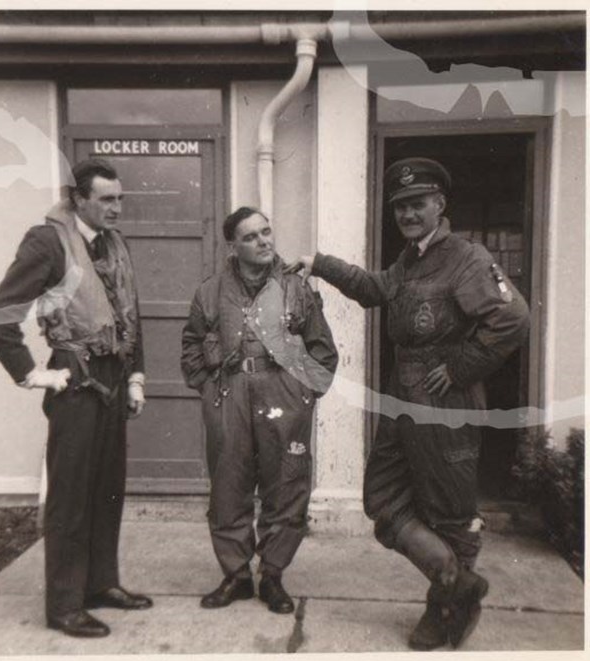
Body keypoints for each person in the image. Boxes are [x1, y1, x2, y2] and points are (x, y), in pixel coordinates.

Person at [286, 158, 529, 649]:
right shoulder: (411, 259)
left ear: (441, 204)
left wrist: (461, 367)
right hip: (404, 397)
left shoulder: (466, 257)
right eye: (400, 206)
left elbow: (513, 318)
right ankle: (459, 584)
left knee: (449, 512)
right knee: (382, 498)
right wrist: (320, 264)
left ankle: (443, 609)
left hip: (445, 402)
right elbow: (376, 290)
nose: (407, 213)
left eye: (417, 203)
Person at [0, 158, 152, 638]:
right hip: (74, 380)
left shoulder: (113, 244)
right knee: (70, 496)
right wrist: (34, 375)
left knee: (108, 489)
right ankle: (63, 605)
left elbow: (128, 317)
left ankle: (100, 585)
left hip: (114, 378)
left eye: (120, 199)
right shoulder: (47, 241)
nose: (116, 208)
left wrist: (136, 378)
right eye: (106, 199)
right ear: (77, 198)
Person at [181, 206, 338, 614]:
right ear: (233, 245)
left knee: (285, 486)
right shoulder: (210, 292)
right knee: (229, 488)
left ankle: (272, 575)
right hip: (228, 394)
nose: (264, 241)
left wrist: (303, 396)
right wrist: (207, 390)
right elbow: (192, 347)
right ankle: (235, 575)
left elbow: (322, 350)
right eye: (251, 236)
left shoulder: (295, 289)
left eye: (266, 232)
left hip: (282, 394)